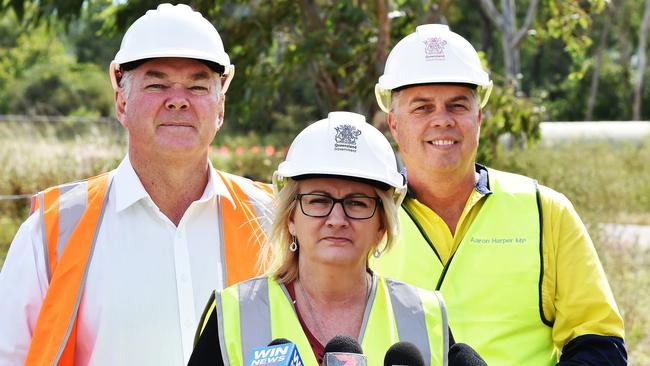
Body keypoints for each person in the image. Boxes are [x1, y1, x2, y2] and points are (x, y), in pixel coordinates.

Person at [0, 4, 273, 365]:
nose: (178, 100)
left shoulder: (270, 219)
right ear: (121, 102)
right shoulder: (53, 230)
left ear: (220, 108)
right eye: (157, 84)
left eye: (197, 85)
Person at [370, 24, 627, 365]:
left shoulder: (544, 211)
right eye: (422, 108)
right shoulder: (362, 215)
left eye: (457, 106)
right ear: (394, 123)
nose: (442, 120)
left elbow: (599, 341)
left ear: (479, 116)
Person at [189, 111, 453, 366]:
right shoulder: (237, 314)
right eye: (318, 201)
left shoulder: (424, 317)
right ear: (291, 218)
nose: (337, 219)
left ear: (382, 225)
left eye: (357, 203)